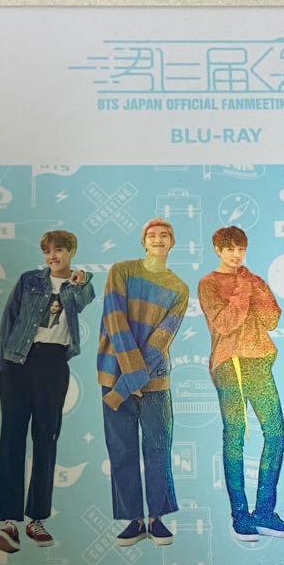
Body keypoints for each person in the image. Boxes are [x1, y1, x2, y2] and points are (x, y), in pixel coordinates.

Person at [0, 230, 95, 555]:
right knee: (12, 438)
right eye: (48, 251)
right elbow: (9, 320)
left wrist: (81, 280)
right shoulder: (28, 280)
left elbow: (84, 299)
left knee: (46, 439)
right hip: (18, 362)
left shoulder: (79, 285)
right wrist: (3, 367)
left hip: (53, 363)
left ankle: (36, 519)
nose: (53, 257)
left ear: (71, 252)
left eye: (59, 250)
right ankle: (7, 520)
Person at [198, 226, 284, 543]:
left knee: (277, 433)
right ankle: (240, 516)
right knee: (236, 435)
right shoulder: (209, 283)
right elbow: (226, 324)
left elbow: (271, 319)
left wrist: (253, 288)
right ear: (218, 249)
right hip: (230, 364)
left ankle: (264, 512)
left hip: (259, 361)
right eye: (229, 249)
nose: (235, 254)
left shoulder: (254, 279)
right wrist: (242, 291)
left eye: (240, 248)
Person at [97, 218, 189, 548]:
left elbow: (161, 339)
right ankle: (133, 519)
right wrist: (127, 377)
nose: (158, 239)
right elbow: (115, 321)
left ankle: (157, 518)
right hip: (113, 371)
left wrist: (131, 381)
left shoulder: (179, 288)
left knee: (158, 448)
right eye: (152, 235)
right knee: (121, 449)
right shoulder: (121, 271)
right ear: (143, 241)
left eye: (165, 235)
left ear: (172, 242)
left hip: (155, 379)